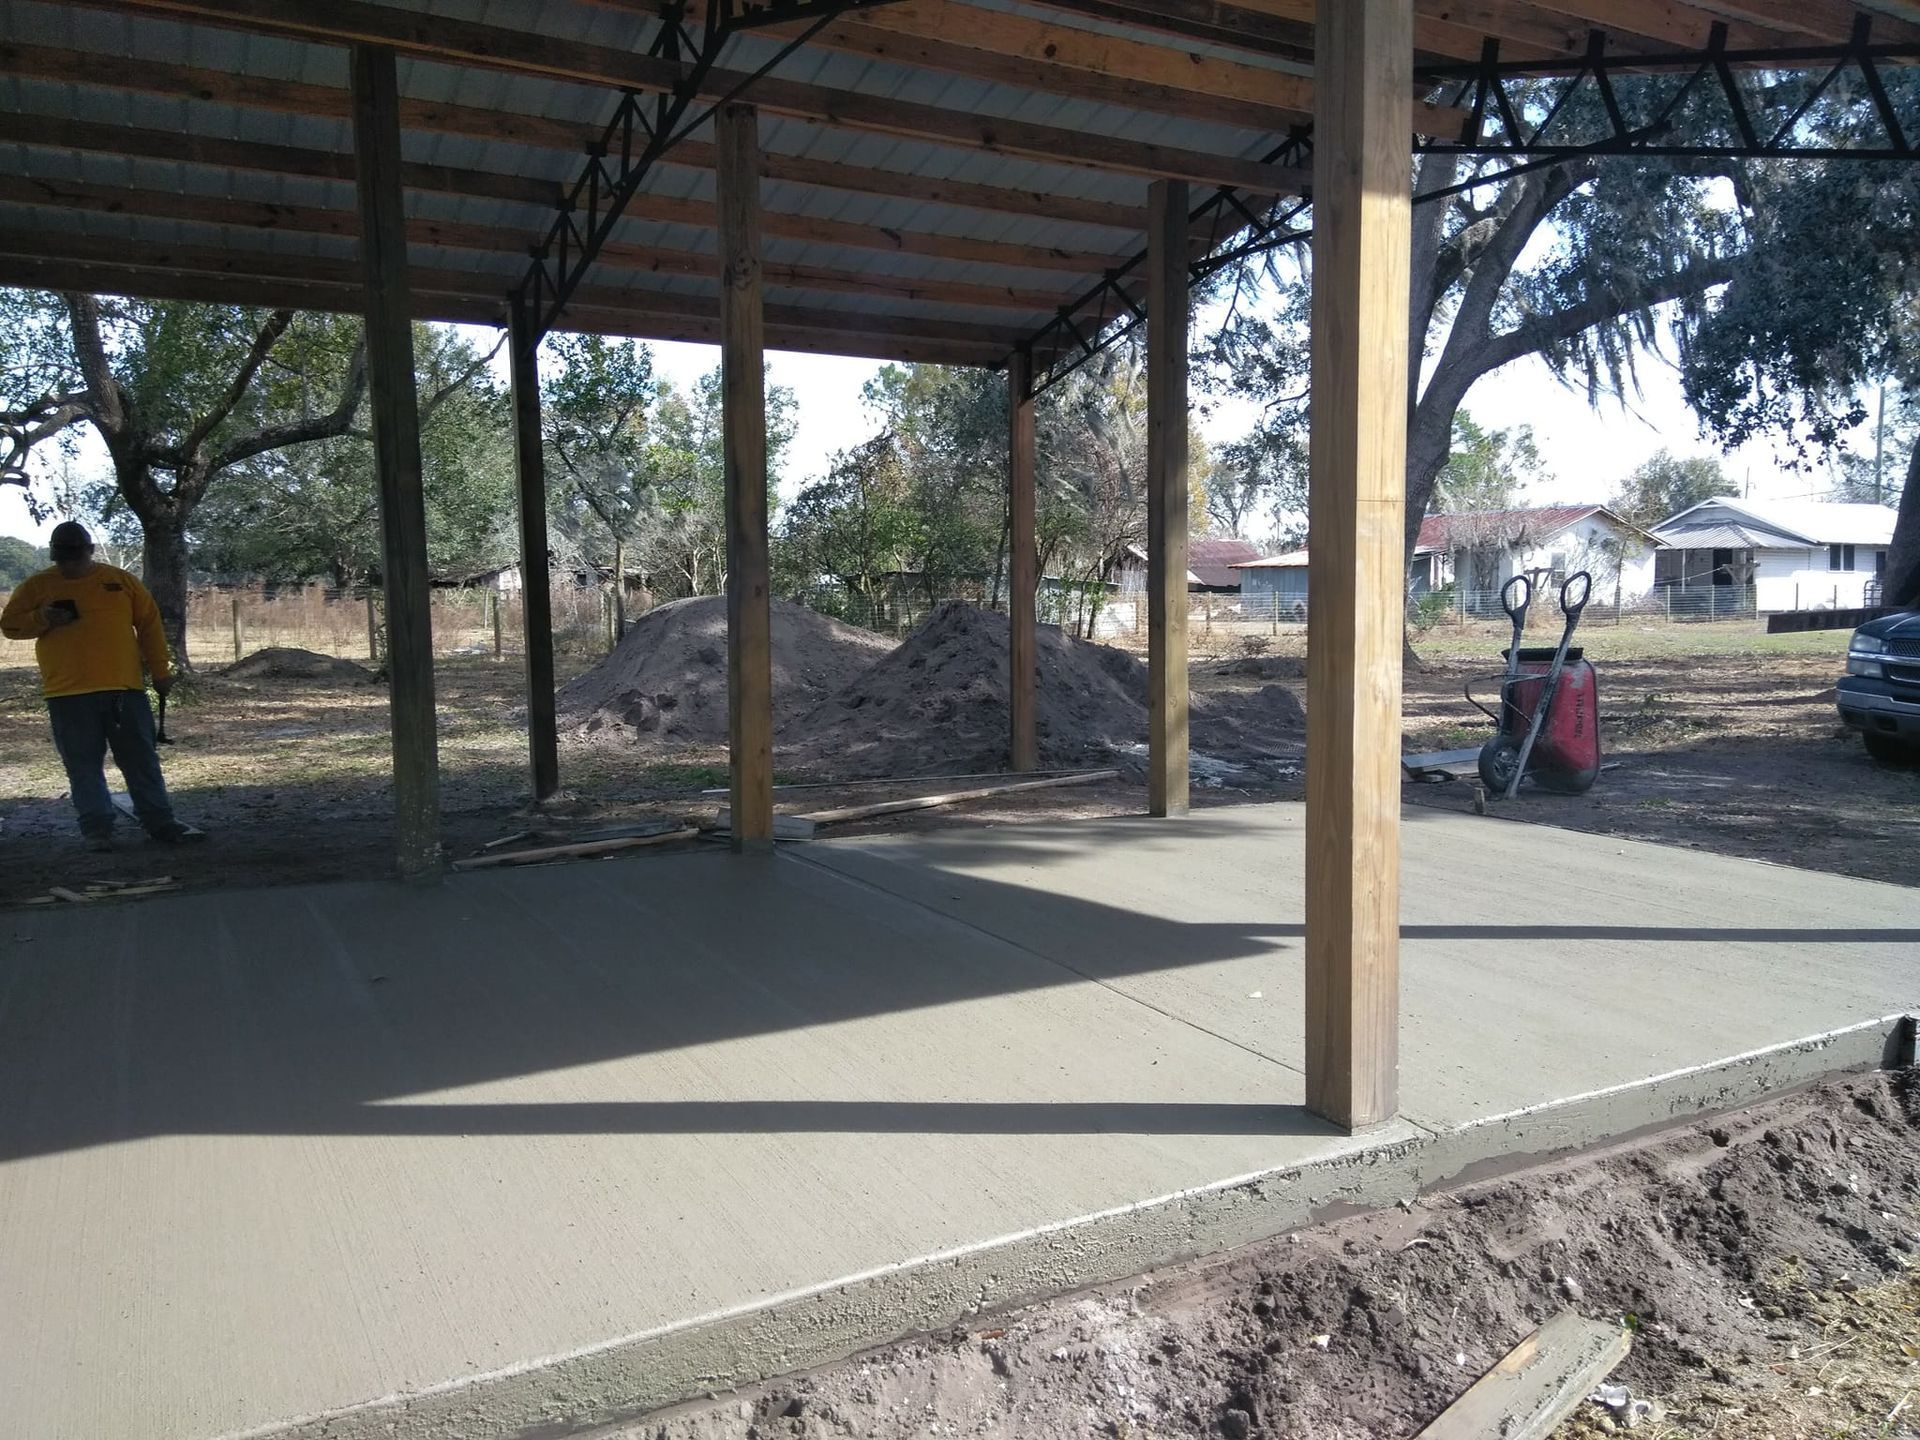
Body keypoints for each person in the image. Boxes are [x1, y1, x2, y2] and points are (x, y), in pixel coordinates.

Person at [1, 521, 203, 851]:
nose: (68, 564)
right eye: (62, 558)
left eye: (74, 556)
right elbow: (9, 626)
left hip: (124, 690)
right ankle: (97, 830)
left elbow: (150, 627)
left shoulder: (121, 582)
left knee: (141, 760)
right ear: (54, 555)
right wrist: (44, 618)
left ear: (90, 551)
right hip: (67, 693)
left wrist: (160, 672)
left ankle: (160, 822)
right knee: (83, 766)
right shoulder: (37, 587)